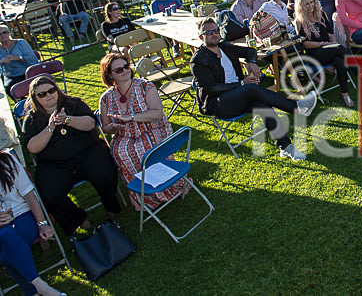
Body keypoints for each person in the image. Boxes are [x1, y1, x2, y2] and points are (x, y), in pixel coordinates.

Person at [190, 18, 316, 160]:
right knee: (251, 89)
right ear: (201, 37)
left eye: (216, 30)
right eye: (209, 32)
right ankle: (296, 107)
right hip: (218, 104)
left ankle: (285, 147)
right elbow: (211, 88)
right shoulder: (198, 60)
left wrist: (252, 63)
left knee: (264, 106)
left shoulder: (225, 47)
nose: (214, 34)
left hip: (239, 95)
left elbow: (250, 51)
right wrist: (242, 84)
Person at [21, 76, 121, 235]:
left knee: (104, 171)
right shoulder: (32, 119)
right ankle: (79, 219)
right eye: (41, 94)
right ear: (35, 98)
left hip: (87, 152)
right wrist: (50, 127)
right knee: (48, 192)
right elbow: (33, 147)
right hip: (55, 164)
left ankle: (112, 206)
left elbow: (90, 123)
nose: (48, 95)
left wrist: (68, 119)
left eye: (51, 90)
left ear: (57, 89)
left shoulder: (73, 104)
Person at [98, 53, 190, 210]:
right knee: (121, 153)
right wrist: (112, 128)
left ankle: (169, 188)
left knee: (145, 151)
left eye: (126, 66)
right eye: (119, 70)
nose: (125, 71)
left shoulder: (145, 86)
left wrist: (132, 117)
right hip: (124, 135)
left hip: (151, 128)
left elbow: (157, 113)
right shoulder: (106, 98)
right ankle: (146, 198)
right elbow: (105, 127)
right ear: (110, 75)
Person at [0, 149, 66, 296]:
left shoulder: (7, 161)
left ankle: (33, 292)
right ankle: (41, 287)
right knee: (5, 235)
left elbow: (30, 195)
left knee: (6, 254)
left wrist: (42, 223)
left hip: (23, 217)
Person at [293, 0, 354, 107]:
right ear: (301, 6)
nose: (310, 6)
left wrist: (332, 44)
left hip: (329, 49)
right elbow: (305, 44)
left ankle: (345, 94)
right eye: (307, 4)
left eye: (312, 2)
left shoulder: (321, 14)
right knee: (339, 48)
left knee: (339, 61)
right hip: (315, 54)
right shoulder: (299, 21)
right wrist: (323, 44)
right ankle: (361, 72)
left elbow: (331, 34)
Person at [0, 25, 37, 96]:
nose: (2, 35)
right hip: (11, 76)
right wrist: (1, 61)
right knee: (9, 88)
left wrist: (19, 58)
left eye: (5, 32)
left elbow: (33, 59)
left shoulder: (21, 43)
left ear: (9, 33)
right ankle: (23, 104)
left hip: (27, 72)